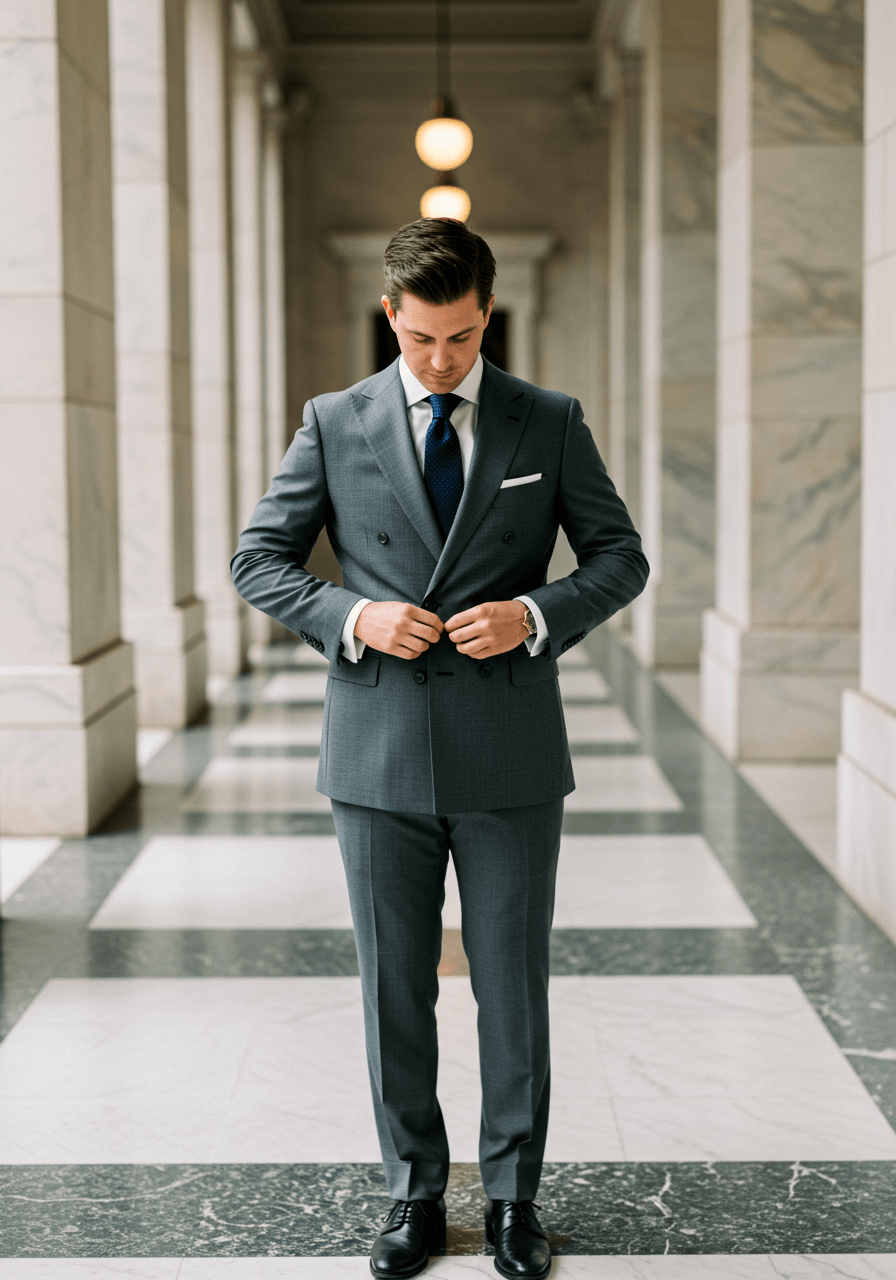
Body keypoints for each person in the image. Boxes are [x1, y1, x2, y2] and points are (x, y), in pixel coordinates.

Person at [231, 218, 648, 1279]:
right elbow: (258, 559)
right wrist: (353, 618)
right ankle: (412, 1196)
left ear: (485, 318)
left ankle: (511, 1198)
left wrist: (535, 613)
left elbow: (618, 556)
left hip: (509, 747)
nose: (440, 359)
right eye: (421, 338)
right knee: (393, 987)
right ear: (390, 317)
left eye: (460, 338)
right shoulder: (333, 421)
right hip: (374, 754)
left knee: (510, 981)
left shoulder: (545, 421)